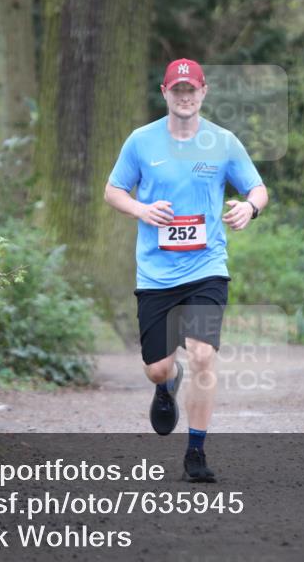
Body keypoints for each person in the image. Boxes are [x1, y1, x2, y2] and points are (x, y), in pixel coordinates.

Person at [104, 58, 268, 482]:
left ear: (203, 92)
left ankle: (196, 451)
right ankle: (166, 382)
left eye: (191, 90)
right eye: (177, 90)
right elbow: (113, 190)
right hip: (156, 274)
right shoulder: (141, 142)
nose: (184, 96)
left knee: (202, 355)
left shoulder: (224, 142)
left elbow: (258, 188)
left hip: (207, 267)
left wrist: (249, 207)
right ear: (164, 93)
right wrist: (141, 208)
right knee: (158, 366)